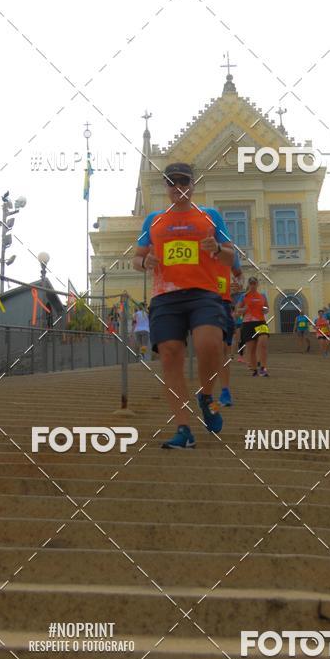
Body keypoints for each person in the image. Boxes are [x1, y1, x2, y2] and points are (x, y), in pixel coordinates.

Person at [131, 162, 234, 448]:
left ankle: (206, 396)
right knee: (169, 355)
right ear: (165, 187)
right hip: (166, 296)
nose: (178, 187)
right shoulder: (153, 220)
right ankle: (183, 428)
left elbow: (230, 256)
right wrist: (145, 262)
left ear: (193, 184)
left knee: (209, 344)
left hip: (203, 293)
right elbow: (137, 259)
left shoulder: (210, 216)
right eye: (171, 182)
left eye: (183, 181)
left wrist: (217, 249)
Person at [216, 258, 243, 407]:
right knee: (209, 348)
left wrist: (238, 284)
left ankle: (225, 391)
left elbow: (239, 275)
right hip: (202, 303)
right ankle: (206, 392)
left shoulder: (227, 249)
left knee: (223, 350)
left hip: (224, 303)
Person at [236, 277, 270, 377]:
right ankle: (255, 369)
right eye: (251, 283)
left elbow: (267, 308)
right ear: (249, 285)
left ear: (257, 284)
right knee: (251, 348)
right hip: (248, 323)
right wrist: (243, 309)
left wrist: (265, 309)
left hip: (261, 322)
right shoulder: (243, 296)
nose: (253, 285)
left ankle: (263, 368)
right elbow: (237, 310)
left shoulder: (262, 295)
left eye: (254, 283)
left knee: (263, 343)